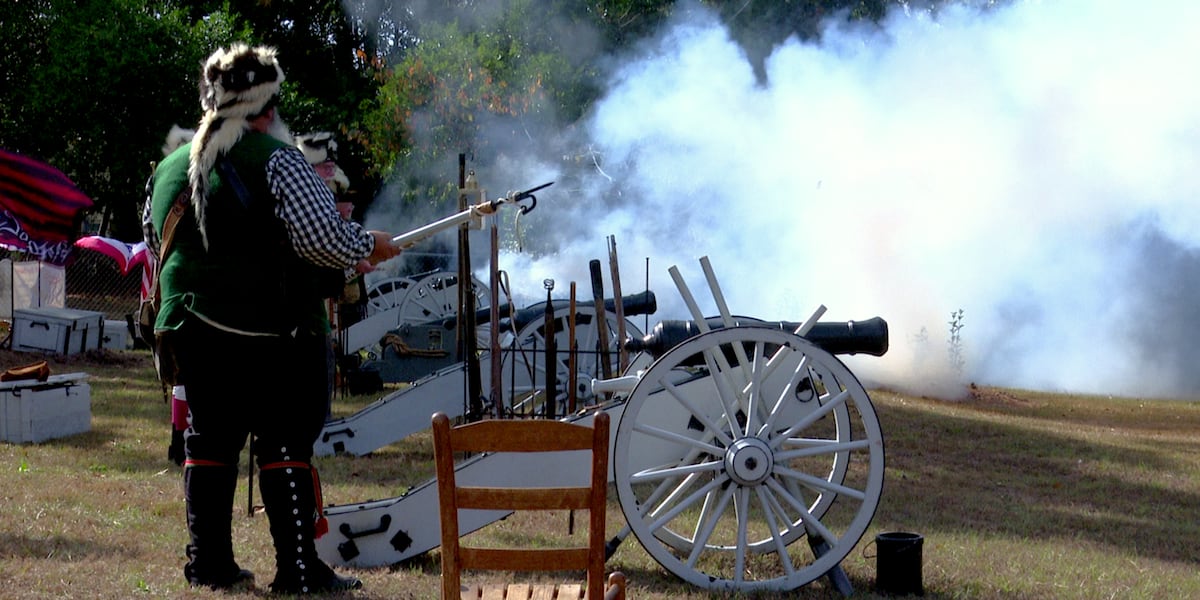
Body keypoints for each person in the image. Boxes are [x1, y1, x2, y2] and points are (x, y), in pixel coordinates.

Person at [143, 42, 401, 593]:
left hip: (190, 330)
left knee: (210, 439)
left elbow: (155, 242)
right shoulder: (278, 158)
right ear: (266, 105)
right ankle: (300, 571)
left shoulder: (168, 167)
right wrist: (366, 243)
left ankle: (208, 566)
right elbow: (322, 239)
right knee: (285, 440)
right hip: (273, 332)